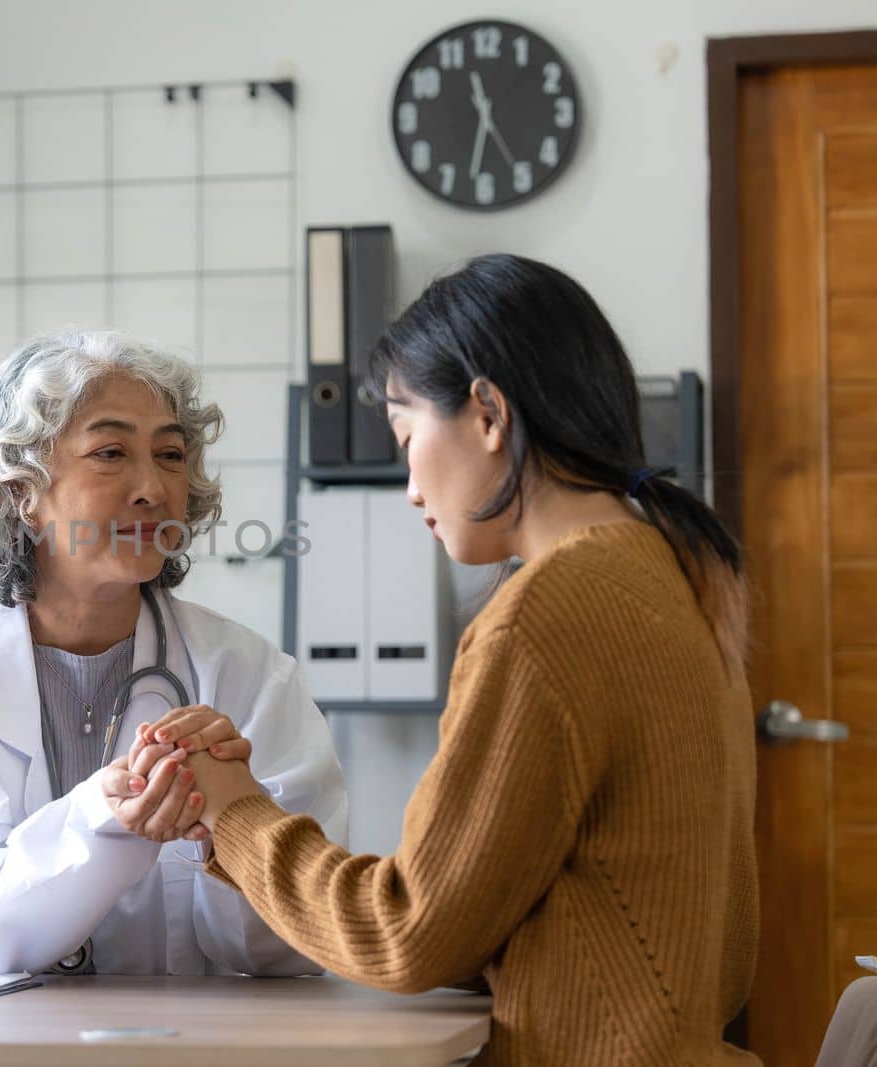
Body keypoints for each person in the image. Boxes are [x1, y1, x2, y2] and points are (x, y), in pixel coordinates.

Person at [144, 255, 758, 1064]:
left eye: (406, 437)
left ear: (489, 413)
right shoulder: (678, 572)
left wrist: (233, 812)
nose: (408, 487)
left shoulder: (548, 612)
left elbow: (405, 931)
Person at [0, 331, 348, 977]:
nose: (152, 486)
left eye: (170, 454)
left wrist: (234, 826)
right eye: (111, 452)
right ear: (20, 489)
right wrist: (105, 818)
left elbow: (289, 949)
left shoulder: (250, 676)